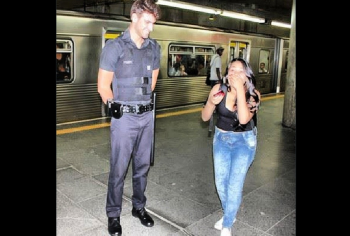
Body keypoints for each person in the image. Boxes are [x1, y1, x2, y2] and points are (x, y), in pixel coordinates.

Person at [97, 1, 161, 235]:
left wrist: (143, 108)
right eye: (147, 22)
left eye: (153, 23)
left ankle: (138, 207)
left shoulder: (154, 48)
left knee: (142, 167)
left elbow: (151, 84)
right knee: (119, 168)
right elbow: (103, 86)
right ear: (134, 17)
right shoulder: (114, 47)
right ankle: (113, 214)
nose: (151, 28)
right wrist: (114, 105)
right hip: (124, 118)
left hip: (146, 117)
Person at [201, 58, 261, 236]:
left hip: (244, 142)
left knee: (234, 185)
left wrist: (240, 91)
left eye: (238, 70)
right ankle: (231, 212)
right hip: (221, 139)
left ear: (247, 74)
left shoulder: (254, 95)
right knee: (220, 183)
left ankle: (227, 223)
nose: (233, 73)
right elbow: (205, 117)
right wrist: (211, 102)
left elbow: (243, 119)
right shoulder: (218, 89)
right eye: (231, 70)